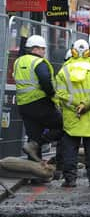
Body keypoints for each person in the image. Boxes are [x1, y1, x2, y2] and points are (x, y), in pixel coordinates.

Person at [55, 39, 90, 187]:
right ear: (89, 51)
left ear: (73, 51)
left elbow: (61, 94)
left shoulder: (64, 71)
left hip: (72, 117)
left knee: (70, 149)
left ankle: (70, 179)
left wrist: (76, 106)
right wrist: (86, 104)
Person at [15, 35, 64, 178]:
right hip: (40, 103)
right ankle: (37, 143)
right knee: (64, 126)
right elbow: (45, 80)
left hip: (24, 105)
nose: (44, 51)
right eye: (43, 49)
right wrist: (51, 94)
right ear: (35, 49)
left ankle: (36, 176)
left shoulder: (19, 61)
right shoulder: (39, 62)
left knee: (33, 135)